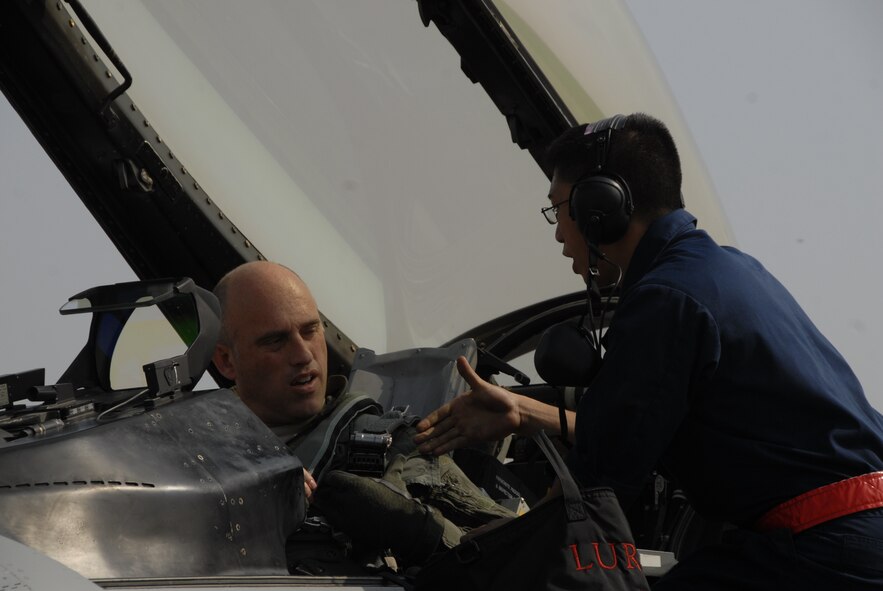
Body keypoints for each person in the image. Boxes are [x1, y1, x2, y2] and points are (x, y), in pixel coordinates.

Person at [414, 113, 883, 589]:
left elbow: (595, 487)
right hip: (849, 537)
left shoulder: (667, 301)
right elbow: (635, 428)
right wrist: (526, 411)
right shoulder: (725, 271)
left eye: (559, 209)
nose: (558, 233)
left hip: (828, 546)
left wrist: (498, 542)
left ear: (599, 206)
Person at [211, 260, 512, 569]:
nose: (303, 355)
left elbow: (520, 552)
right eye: (275, 341)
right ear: (226, 360)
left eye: (310, 330)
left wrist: (420, 531)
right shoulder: (200, 451)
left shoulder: (399, 447)